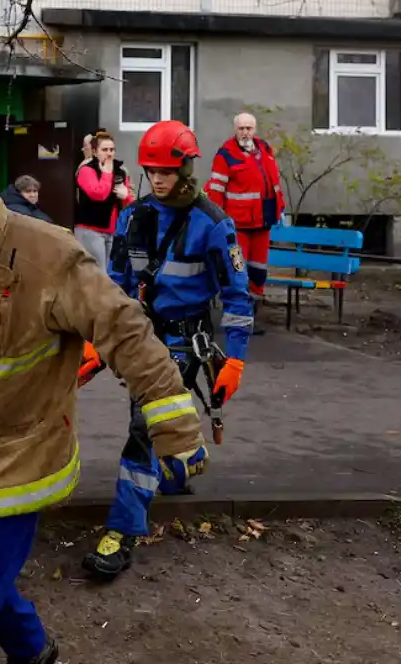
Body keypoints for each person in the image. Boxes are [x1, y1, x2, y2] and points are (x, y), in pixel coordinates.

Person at [0, 121, 205, 664]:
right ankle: (34, 651)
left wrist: (173, 422)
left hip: (18, 465)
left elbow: (123, 328)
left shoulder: (46, 256)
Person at [81, 120, 254, 583]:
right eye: (151, 170)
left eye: (167, 170)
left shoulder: (213, 224)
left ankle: (122, 531)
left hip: (184, 341)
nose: (158, 179)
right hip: (141, 337)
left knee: (143, 427)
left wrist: (234, 358)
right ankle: (176, 468)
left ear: (186, 167)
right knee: (152, 426)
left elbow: (238, 298)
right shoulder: (135, 217)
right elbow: (115, 287)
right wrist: (99, 342)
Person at [203, 112, 285, 334]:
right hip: (237, 226)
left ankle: (250, 318)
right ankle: (235, 317)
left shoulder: (265, 150)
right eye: (241, 128)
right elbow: (216, 192)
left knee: (258, 273)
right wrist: (218, 222)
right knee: (237, 270)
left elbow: (274, 183)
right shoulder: (226, 155)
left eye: (249, 128)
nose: (245, 132)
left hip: (263, 223)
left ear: (255, 129)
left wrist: (281, 207)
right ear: (235, 130)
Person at [74, 131, 135, 269]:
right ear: (95, 152)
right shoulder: (87, 170)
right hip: (90, 229)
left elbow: (127, 203)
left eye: (112, 150)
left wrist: (126, 196)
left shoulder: (120, 171)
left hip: (113, 230)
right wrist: (107, 173)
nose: (109, 153)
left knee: (111, 272)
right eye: (104, 150)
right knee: (97, 273)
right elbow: (98, 194)